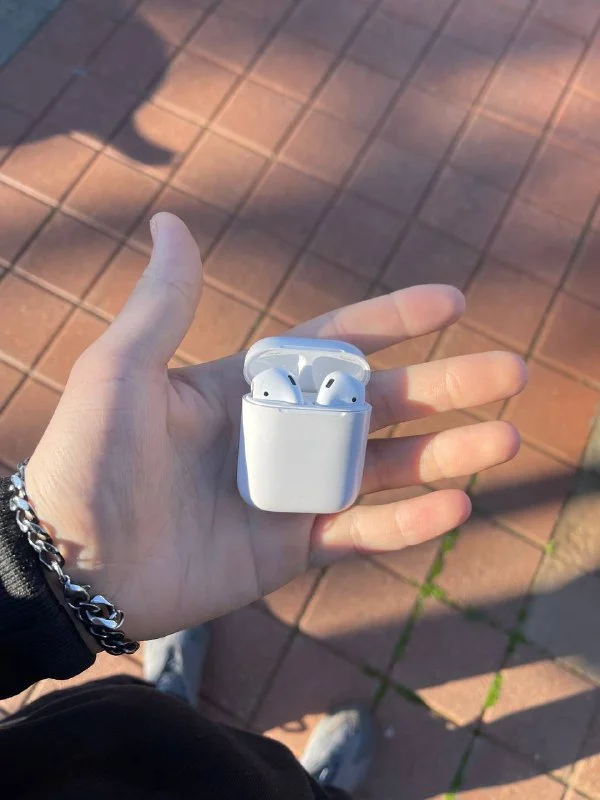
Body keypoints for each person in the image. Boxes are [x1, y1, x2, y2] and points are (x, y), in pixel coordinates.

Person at [0, 214, 526, 797]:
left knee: (136, 729)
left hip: (63, 758)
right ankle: (308, 788)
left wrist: (40, 575)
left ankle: (172, 702)